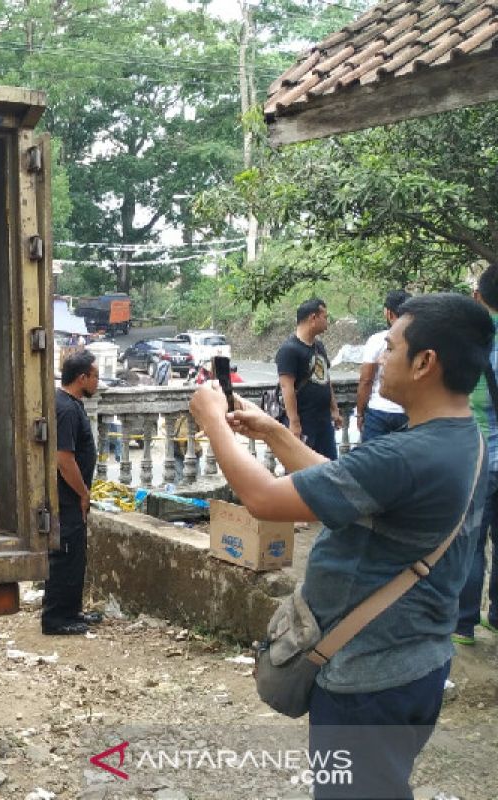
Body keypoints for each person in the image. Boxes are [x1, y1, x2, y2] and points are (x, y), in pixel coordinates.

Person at [191, 293, 491, 800]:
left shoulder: (407, 453)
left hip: (369, 679)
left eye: (391, 347)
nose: (382, 358)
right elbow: (340, 483)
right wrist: (270, 432)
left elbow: (263, 499)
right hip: (417, 661)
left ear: (425, 363)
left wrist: (212, 422)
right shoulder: (463, 438)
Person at [44, 351, 103, 635]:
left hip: (73, 496)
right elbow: (63, 459)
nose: (97, 382)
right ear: (82, 378)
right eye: (95, 376)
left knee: (76, 555)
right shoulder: (66, 409)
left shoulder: (72, 404)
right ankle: (56, 618)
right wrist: (82, 492)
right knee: (65, 554)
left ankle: (72, 610)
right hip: (67, 495)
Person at [456, 264, 498, 645]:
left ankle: (464, 623)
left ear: (479, 298)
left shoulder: (475, 344)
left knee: (471, 539)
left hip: (481, 457)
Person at [275, 298, 341, 460]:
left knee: (330, 466)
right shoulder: (289, 350)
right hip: (305, 421)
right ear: (313, 318)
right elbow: (286, 387)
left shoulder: (319, 347)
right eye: (324, 317)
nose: (327, 322)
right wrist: (294, 423)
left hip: (323, 420)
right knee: (301, 469)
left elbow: (326, 378)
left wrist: (334, 409)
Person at [357, 290, 411, 441]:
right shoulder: (420, 340)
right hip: (409, 412)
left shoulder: (377, 340)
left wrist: (360, 412)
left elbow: (366, 380)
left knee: (373, 462)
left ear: (389, 313)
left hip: (379, 411)